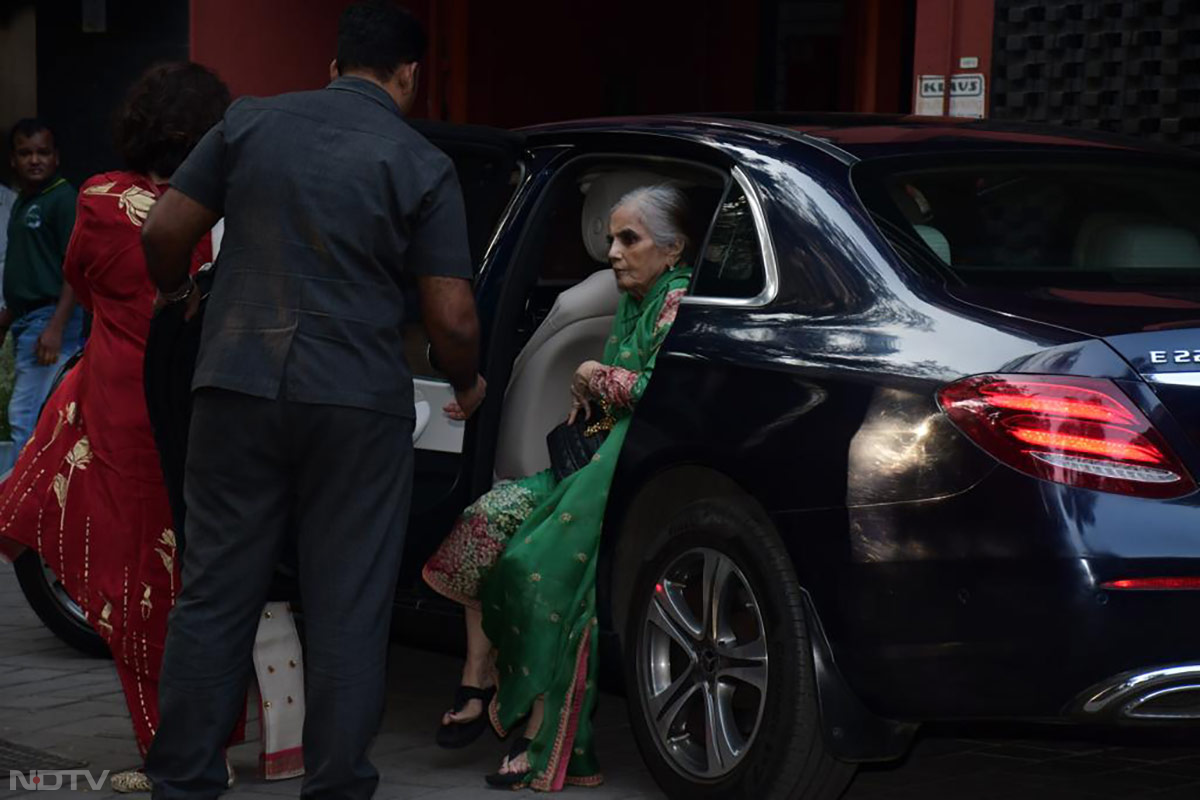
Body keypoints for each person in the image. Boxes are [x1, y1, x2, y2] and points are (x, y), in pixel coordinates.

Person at [140, 3, 486, 798]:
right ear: (409, 77)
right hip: (356, 404)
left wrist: (180, 295)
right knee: (348, 606)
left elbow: (163, 233)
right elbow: (454, 316)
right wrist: (465, 379)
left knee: (216, 594)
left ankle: (184, 781)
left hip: (235, 382)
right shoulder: (420, 160)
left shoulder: (249, 123)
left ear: (331, 68)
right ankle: (334, 786)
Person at [0, 63, 307, 794]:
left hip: (123, 412)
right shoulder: (232, 207)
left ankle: (178, 750)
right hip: (211, 411)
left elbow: (85, 270)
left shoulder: (103, 198)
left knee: (141, 584)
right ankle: (240, 743)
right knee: (216, 578)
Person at [423, 184, 693, 790]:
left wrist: (593, 373)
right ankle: (478, 675)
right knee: (485, 519)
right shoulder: (630, 298)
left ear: (674, 250)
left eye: (631, 239)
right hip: (592, 455)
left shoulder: (677, 301)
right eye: (611, 239)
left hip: (627, 469)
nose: (615, 253)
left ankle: (540, 726)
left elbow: (655, 392)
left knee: (533, 568)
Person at [1, 119, 84, 459]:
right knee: (35, 413)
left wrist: (56, 326)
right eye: (25, 153)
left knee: (26, 417)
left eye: (43, 153)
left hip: (49, 321)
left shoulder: (62, 199)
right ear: (13, 160)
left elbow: (74, 269)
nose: (34, 160)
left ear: (56, 158)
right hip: (26, 321)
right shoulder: (24, 200)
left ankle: (22, 506)